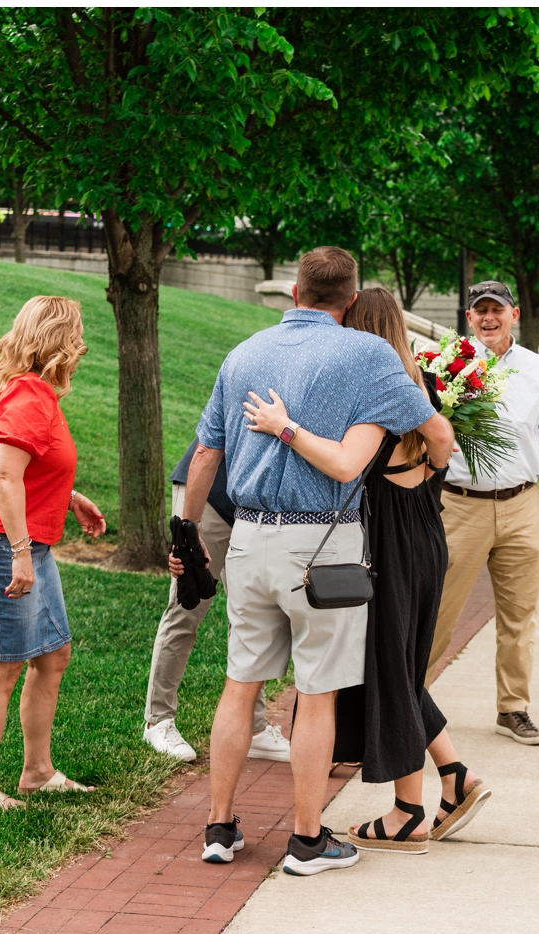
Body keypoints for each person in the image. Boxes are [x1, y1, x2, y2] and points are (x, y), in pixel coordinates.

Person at [174, 246, 457, 875]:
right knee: (317, 694)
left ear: (294, 294)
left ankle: (218, 829)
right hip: (323, 549)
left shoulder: (243, 354)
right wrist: (433, 476)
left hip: (249, 539)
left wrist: (185, 535)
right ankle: (307, 842)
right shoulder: (370, 355)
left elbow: (203, 456)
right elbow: (436, 435)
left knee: (239, 687)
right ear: (350, 301)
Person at [242, 289, 492, 849]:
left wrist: (285, 428)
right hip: (427, 533)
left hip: (384, 540)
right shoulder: (418, 388)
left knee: (390, 667)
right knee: (399, 664)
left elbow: (344, 463)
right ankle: (448, 780)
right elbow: (444, 443)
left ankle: (417, 805)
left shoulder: (371, 389)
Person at [424, 281, 539, 746]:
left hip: (523, 504)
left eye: (497, 310)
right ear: (468, 317)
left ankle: (513, 708)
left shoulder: (537, 369)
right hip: (458, 505)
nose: (488, 318)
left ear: (513, 314)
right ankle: (413, 702)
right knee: (438, 610)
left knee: (520, 614)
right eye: (480, 311)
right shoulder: (445, 365)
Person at [0, 295, 107, 809]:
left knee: (52, 656)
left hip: (33, 541)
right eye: (76, 338)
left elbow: (27, 468)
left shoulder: (35, 395)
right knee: (1, 669)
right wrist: (21, 552)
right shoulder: (29, 399)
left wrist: (69, 497)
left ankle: (37, 772)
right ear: (60, 343)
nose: (82, 348)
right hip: (5, 545)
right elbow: (3, 475)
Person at [143, 439, 288, 765]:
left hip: (253, 504)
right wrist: (188, 529)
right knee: (187, 609)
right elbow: (210, 445)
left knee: (255, 615)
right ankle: (158, 721)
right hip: (207, 492)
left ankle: (255, 728)